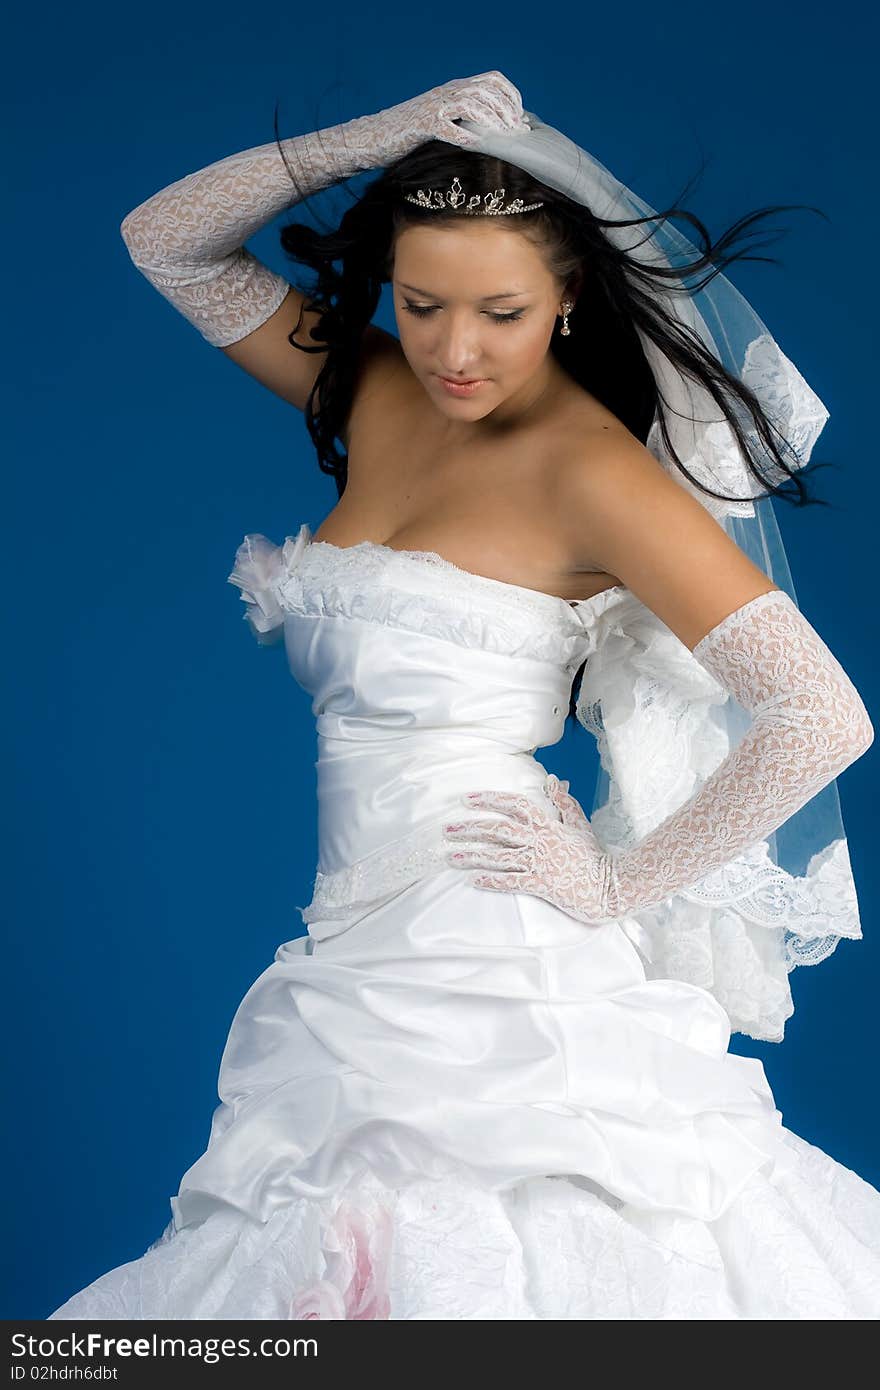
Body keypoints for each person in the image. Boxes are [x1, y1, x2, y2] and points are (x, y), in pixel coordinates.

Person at [48, 72, 880, 1320]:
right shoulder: (375, 388)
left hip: (494, 960)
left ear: (567, 298)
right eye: (420, 302)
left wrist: (614, 885)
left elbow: (825, 714)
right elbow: (163, 238)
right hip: (354, 952)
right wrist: (389, 134)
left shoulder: (592, 472)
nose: (453, 350)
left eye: (498, 311)